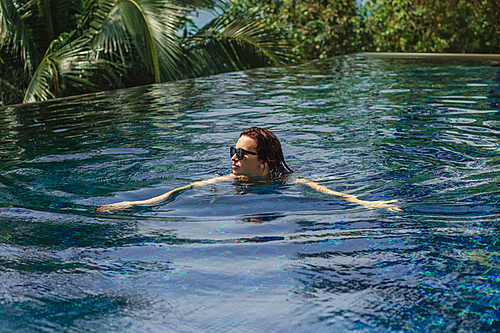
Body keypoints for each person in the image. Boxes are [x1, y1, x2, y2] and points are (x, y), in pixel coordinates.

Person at [97, 127, 402, 213]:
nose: (234, 158)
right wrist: (133, 204)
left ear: (265, 163)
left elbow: (332, 194)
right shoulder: (228, 179)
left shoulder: (289, 181)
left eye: (242, 154)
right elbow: (180, 191)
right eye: (233, 151)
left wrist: (371, 204)